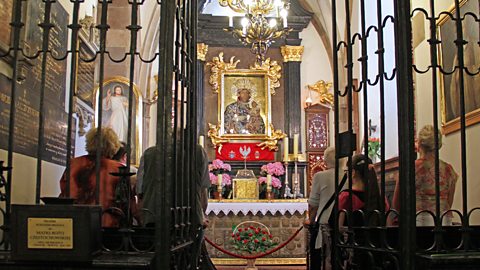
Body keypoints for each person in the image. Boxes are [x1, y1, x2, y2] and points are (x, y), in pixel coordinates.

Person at [392, 125, 458, 226]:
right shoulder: (448, 170)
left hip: (417, 221)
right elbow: (449, 202)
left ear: (419, 144)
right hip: (442, 221)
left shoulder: (409, 168)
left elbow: (396, 205)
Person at [59, 127, 122, 227]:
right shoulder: (118, 168)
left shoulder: (74, 163)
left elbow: (64, 189)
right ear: (113, 145)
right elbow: (126, 200)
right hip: (106, 222)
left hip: (75, 220)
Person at [337, 154, 388, 269]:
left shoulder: (346, 196)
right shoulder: (380, 198)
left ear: (353, 172)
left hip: (354, 252)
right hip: (376, 251)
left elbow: (338, 228)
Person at [306, 147, 342, 270]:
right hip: (343, 222)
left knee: (325, 257)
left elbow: (313, 204)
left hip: (325, 223)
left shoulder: (320, 176)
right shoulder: (348, 175)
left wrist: (310, 221)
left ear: (325, 161)